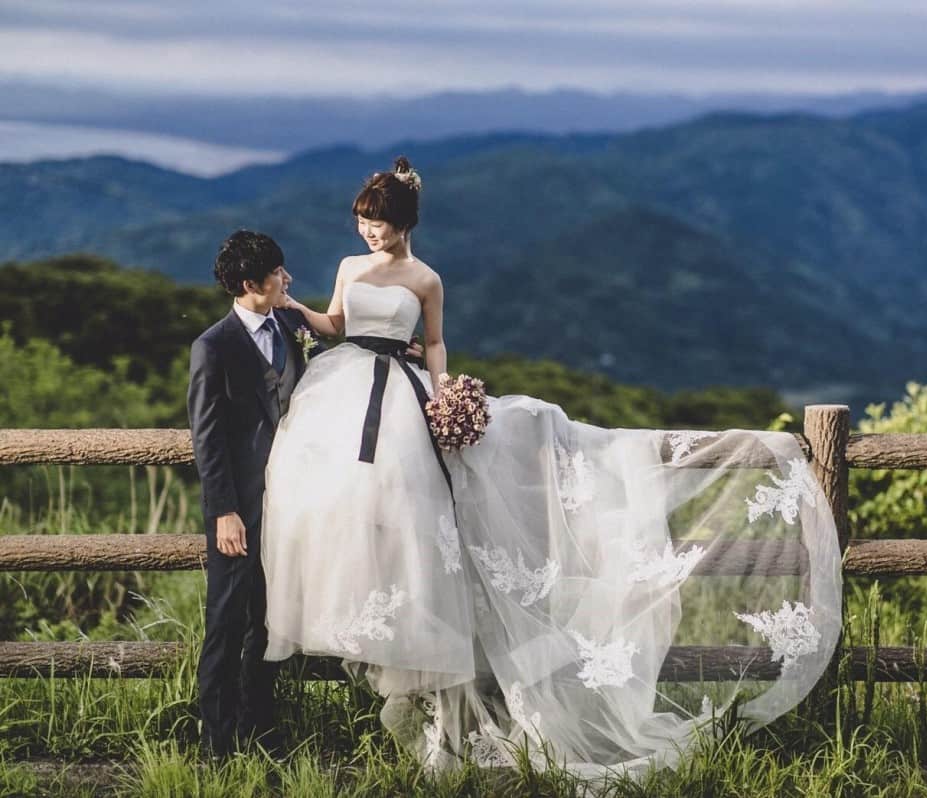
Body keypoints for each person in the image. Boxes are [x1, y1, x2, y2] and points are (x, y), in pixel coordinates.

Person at [260, 157, 843, 776]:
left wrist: (443, 394)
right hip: (347, 384)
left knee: (424, 516)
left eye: (379, 223)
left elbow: (434, 342)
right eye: (363, 223)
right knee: (343, 501)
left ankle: (442, 688)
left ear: (405, 224)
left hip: (405, 395)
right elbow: (337, 325)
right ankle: (366, 611)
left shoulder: (426, 278)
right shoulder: (350, 268)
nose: (369, 234)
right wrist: (293, 308)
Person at [186, 230, 312, 758]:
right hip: (239, 508)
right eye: (278, 274)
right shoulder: (212, 347)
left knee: (269, 620)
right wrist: (225, 512)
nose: (287, 279)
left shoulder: (291, 322)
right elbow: (207, 437)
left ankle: (261, 729)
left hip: (288, 502)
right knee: (226, 620)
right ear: (249, 284)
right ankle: (216, 739)